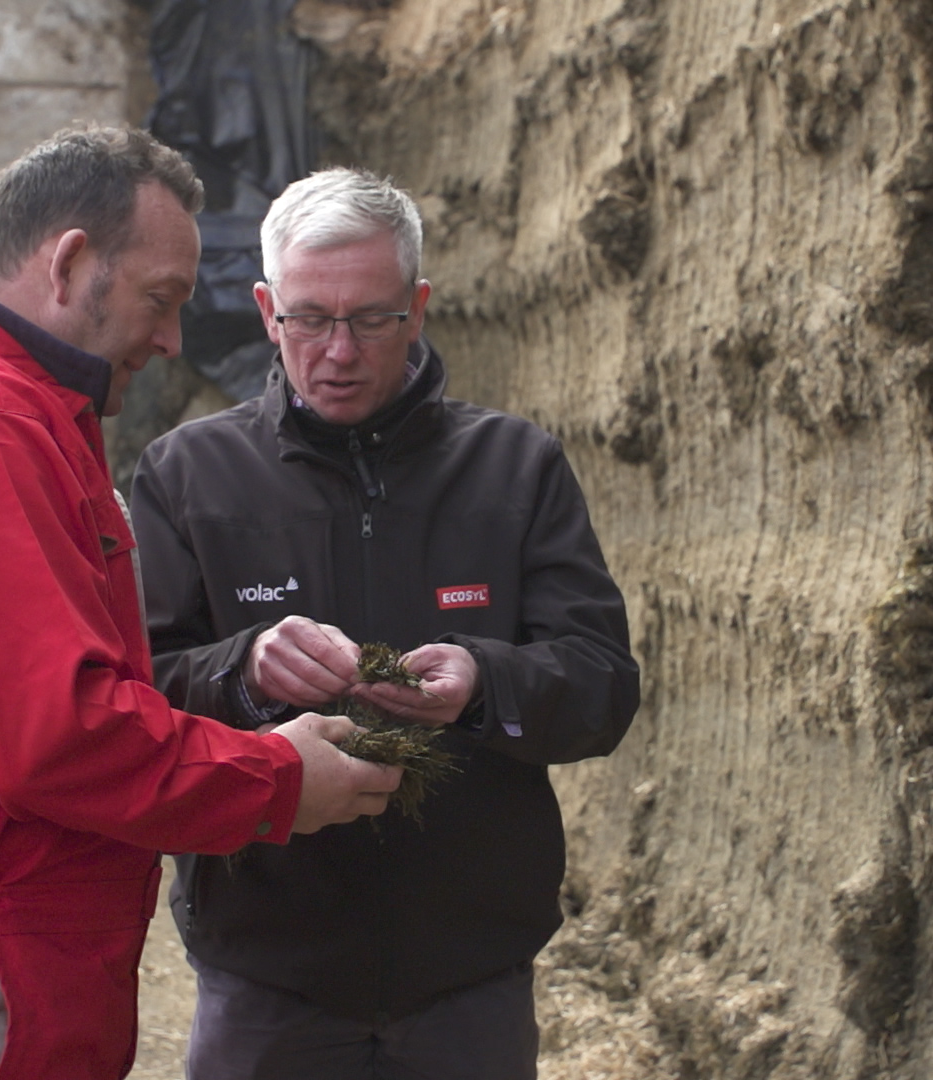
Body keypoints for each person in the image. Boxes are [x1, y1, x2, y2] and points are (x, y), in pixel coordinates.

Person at [0, 127, 400, 1080]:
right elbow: (48, 733)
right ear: (70, 262)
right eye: (160, 300)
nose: (173, 339)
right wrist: (276, 780)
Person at [130, 167, 641, 1079]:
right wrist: (242, 670)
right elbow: (135, 692)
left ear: (418, 307)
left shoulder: (514, 467)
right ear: (264, 310)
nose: (339, 351)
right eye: (310, 319)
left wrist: (486, 684)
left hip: (467, 973)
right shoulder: (186, 475)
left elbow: (602, 686)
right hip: (268, 967)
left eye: (371, 318)